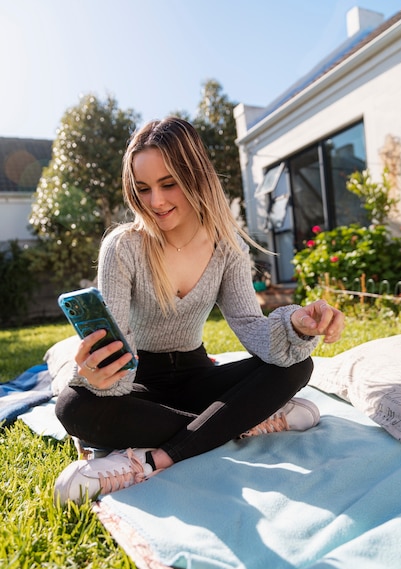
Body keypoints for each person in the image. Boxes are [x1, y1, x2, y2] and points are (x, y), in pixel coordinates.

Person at [54, 117, 344, 505]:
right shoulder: (123, 248)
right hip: (141, 383)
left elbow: (251, 329)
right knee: (74, 407)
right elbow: (118, 362)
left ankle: (154, 457)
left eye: (168, 183)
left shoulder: (227, 248)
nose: (155, 201)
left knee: (297, 366)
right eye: (143, 189)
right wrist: (96, 375)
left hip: (197, 375)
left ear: (196, 176)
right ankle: (241, 420)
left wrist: (296, 324)